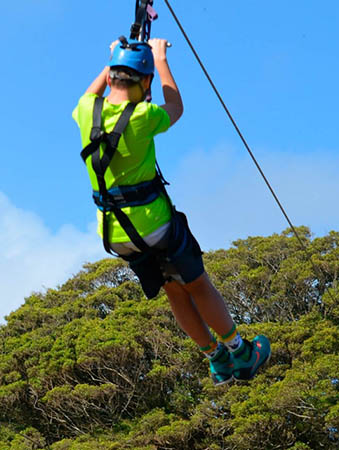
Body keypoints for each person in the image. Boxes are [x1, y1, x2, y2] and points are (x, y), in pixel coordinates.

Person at [73, 37, 270, 385]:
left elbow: (97, 87)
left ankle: (215, 358)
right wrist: (160, 58)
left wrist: (115, 56)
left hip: (115, 233)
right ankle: (240, 351)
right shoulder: (144, 117)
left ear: (112, 77)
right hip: (153, 225)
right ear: (144, 82)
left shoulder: (86, 110)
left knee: (172, 289)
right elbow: (175, 106)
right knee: (196, 284)